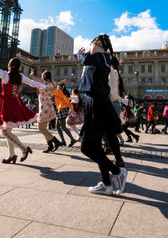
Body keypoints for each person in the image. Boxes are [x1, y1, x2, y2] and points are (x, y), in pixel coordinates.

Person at [78, 34, 127, 196]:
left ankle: (117, 172)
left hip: (97, 103)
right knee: (97, 147)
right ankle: (106, 185)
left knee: (86, 148)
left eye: (91, 43)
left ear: (98, 44)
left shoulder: (100, 56)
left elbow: (86, 60)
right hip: (95, 101)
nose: (89, 46)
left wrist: (80, 53)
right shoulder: (103, 58)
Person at [0, 48, 47, 164]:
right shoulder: (20, 76)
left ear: (9, 66)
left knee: (5, 132)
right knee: (8, 131)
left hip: (7, 104)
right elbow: (32, 82)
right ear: (19, 67)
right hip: (16, 102)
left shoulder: (5, 75)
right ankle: (12, 155)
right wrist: (44, 86)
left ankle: (24, 148)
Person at [29, 70, 64, 153]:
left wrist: (32, 72)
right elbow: (58, 83)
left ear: (44, 76)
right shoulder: (52, 83)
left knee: (41, 129)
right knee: (43, 128)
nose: (41, 77)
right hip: (49, 106)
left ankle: (56, 142)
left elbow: (32, 77)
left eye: (42, 75)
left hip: (44, 107)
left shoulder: (43, 82)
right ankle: (50, 146)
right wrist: (64, 81)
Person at [53, 82, 77, 146]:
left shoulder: (58, 91)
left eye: (58, 85)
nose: (57, 86)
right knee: (58, 126)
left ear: (60, 86)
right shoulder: (65, 92)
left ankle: (72, 139)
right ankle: (63, 141)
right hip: (61, 110)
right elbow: (69, 103)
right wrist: (72, 109)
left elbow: (51, 91)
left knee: (63, 127)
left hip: (61, 110)